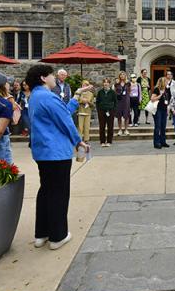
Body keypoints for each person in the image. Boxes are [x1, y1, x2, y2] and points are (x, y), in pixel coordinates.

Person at [25, 64, 90, 250]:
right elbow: (66, 121)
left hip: (42, 152)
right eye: (52, 75)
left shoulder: (35, 96)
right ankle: (57, 236)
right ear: (44, 78)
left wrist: (75, 96)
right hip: (56, 152)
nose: (54, 77)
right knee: (59, 193)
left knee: (45, 191)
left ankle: (42, 233)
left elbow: (62, 113)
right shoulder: (48, 96)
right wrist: (79, 141)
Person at [96, 78, 117, 147]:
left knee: (110, 127)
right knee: (102, 127)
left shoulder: (112, 92)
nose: (106, 84)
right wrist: (99, 110)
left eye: (107, 82)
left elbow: (115, 102)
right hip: (101, 111)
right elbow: (97, 102)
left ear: (109, 84)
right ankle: (102, 141)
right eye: (104, 82)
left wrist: (113, 110)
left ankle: (109, 141)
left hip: (110, 111)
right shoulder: (100, 92)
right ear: (103, 84)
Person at [151, 77, 171, 149]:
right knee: (158, 127)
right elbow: (152, 99)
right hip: (157, 110)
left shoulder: (167, 89)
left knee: (163, 127)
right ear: (162, 82)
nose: (167, 82)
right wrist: (160, 95)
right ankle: (156, 143)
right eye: (166, 81)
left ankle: (163, 142)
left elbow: (167, 100)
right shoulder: (157, 89)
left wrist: (168, 110)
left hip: (164, 110)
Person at [76, 80, 95, 146]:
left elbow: (93, 105)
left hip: (88, 112)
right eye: (83, 85)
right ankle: (79, 140)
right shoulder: (79, 93)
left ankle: (86, 140)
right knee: (80, 127)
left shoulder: (91, 94)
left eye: (86, 85)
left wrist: (88, 102)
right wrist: (82, 101)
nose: (84, 86)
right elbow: (75, 101)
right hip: (81, 111)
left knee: (87, 127)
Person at [114, 71, 131, 136]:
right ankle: (120, 130)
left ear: (125, 75)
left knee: (126, 115)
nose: (122, 76)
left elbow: (129, 91)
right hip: (119, 101)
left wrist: (127, 98)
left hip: (126, 100)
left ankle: (126, 129)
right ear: (119, 76)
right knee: (119, 116)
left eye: (123, 74)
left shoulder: (128, 83)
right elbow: (115, 91)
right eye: (121, 74)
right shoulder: (117, 84)